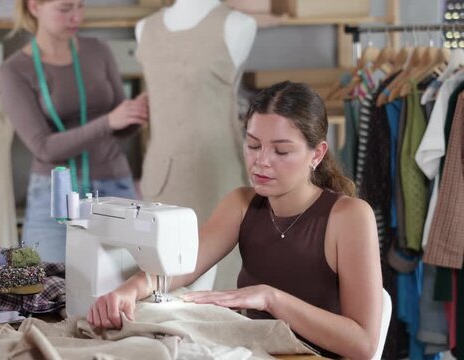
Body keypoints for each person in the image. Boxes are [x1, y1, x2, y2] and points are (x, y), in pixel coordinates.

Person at [88, 81, 383, 359]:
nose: (262, 161)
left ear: (316, 154)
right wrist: (129, 290)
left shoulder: (349, 217)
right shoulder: (242, 204)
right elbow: (182, 267)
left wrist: (271, 299)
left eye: (281, 150)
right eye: (253, 145)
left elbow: (363, 344)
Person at [0, 0, 149, 263]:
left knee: (127, 282)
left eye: (80, 6)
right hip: (54, 195)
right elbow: (43, 147)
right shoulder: (15, 70)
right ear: (35, 7)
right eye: (65, 8)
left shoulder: (98, 51)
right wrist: (109, 122)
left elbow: (118, 130)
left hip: (115, 186)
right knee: (51, 287)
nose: (76, 16)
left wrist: (137, 114)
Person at [135, 0, 257, 291]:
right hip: (161, 182)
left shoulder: (236, 25)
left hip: (216, 179)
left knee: (220, 287)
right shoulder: (145, 28)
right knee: (159, 288)